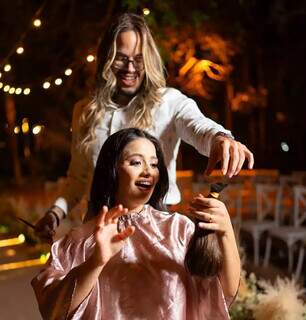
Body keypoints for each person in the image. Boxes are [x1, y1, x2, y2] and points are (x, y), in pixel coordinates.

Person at [35, 13, 254, 241]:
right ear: (107, 59)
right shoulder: (84, 111)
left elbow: (198, 126)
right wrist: (55, 213)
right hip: (97, 229)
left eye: (138, 59)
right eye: (120, 58)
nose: (130, 67)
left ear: (148, 60)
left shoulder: (169, 102)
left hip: (155, 231)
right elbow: (78, 179)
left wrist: (219, 138)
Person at [32, 128, 240, 319]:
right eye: (136, 162)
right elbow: (54, 310)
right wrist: (96, 261)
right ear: (112, 169)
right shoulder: (79, 240)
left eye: (154, 164)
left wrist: (225, 231)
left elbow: (221, 295)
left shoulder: (178, 229)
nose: (148, 171)